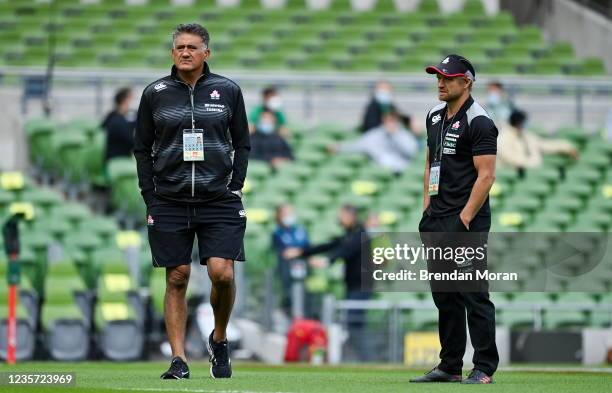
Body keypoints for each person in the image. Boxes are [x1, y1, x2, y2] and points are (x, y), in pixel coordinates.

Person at [133, 23, 250, 380]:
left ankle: (218, 338)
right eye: (179, 47)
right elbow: (141, 148)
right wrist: (150, 195)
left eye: (192, 47)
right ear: (173, 53)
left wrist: (236, 184)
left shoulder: (228, 90)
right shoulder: (155, 93)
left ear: (206, 54)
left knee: (222, 274)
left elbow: (242, 142)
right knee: (177, 277)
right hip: (169, 199)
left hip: (219, 199)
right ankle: (179, 359)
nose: (185, 52)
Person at [411, 55, 499, 384]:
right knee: (444, 294)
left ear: (467, 83)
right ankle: (450, 365)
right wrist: (426, 209)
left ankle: (484, 367)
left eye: (448, 77)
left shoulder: (480, 121)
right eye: (438, 76)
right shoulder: (434, 116)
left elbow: (486, 177)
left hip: (466, 223)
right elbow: (430, 163)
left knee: (473, 293)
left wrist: (462, 221)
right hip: (436, 218)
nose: (440, 82)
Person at [284, 205, 372, 361]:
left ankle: (367, 359)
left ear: (351, 216)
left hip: (361, 286)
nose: (340, 219)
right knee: (352, 325)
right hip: (353, 286)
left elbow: (346, 250)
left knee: (354, 325)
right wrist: (302, 252)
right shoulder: (349, 234)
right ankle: (362, 359)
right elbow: (329, 245)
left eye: (342, 215)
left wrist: (327, 260)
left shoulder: (360, 234)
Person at [334, 110, 419, 173]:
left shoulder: (405, 135)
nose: (390, 123)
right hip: (380, 170)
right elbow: (359, 145)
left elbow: (411, 151)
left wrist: (395, 136)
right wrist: (339, 148)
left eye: (392, 120)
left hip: (401, 170)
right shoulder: (375, 135)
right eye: (387, 120)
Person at [498, 109, 578, 174]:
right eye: (524, 122)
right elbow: (512, 159)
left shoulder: (526, 135)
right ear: (519, 123)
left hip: (529, 172)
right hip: (513, 174)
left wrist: (567, 147)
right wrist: (533, 163)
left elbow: (545, 145)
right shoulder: (503, 138)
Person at [271, 204, 310, 317]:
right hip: (285, 271)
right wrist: (298, 251)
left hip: (303, 269)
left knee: (302, 295)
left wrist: (298, 252)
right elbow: (283, 252)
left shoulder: (301, 230)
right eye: (286, 214)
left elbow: (307, 247)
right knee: (288, 295)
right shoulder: (277, 233)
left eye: (290, 213)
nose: (289, 216)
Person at [102, 87, 135, 163]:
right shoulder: (116, 121)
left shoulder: (113, 116)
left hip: (121, 158)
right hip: (117, 161)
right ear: (125, 100)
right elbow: (132, 142)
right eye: (132, 98)